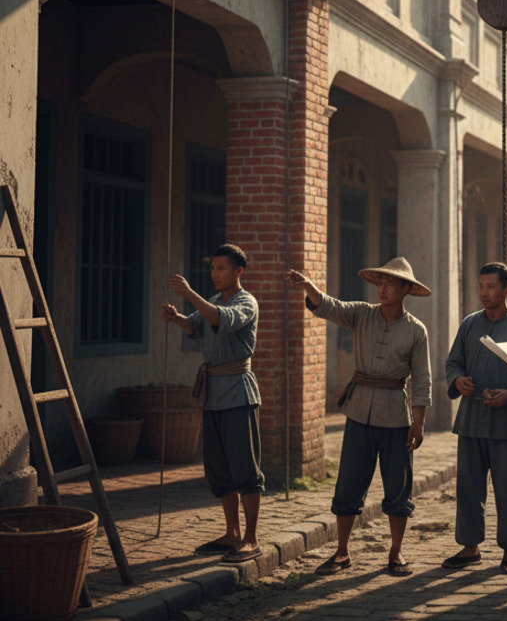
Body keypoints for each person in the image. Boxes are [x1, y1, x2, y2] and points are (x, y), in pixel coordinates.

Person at [285, 257, 431, 576]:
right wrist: (309, 285)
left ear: (406, 289)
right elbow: (330, 306)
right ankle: (341, 551)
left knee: (398, 486)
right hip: (359, 412)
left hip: (396, 417)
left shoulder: (416, 331)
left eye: (390, 283)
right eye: (380, 283)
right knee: (348, 483)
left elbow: (422, 379)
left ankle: (395, 552)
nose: (382, 289)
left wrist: (418, 423)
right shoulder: (362, 314)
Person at [160, 244, 264, 562]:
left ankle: (250, 538)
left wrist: (189, 293)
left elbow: (221, 318)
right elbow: (197, 325)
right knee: (219, 470)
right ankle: (231, 533)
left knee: (245, 468)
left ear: (238, 272)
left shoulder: (246, 302)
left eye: (221, 268)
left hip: (237, 392)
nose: (214, 274)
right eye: (213, 267)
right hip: (213, 393)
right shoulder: (214, 300)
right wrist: (177, 317)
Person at [443, 262, 507, 574]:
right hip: (471, 418)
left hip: (506, 421)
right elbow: (453, 361)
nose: (484, 293)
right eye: (481, 287)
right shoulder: (470, 324)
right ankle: (470, 547)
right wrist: (458, 380)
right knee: (469, 488)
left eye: (491, 287)